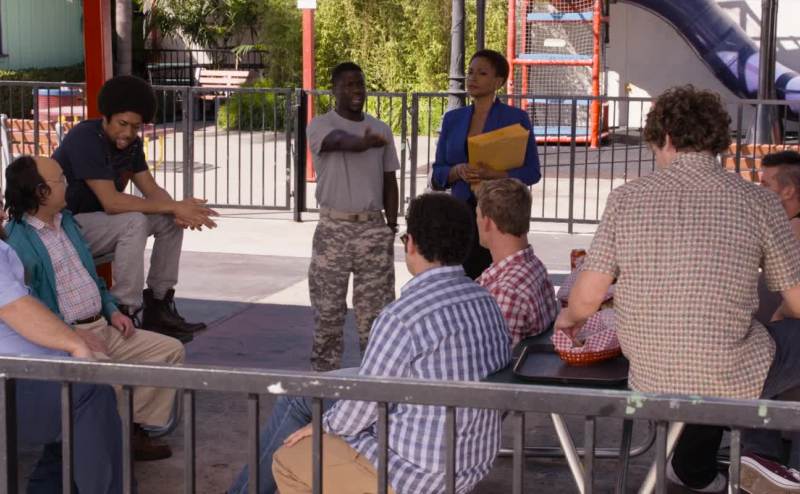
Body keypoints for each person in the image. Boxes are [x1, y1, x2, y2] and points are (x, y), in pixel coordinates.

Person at [555, 85, 800, 493]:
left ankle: (709, 465)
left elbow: (586, 300)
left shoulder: (625, 199)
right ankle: (766, 460)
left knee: (718, 357)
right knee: (748, 350)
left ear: (665, 137)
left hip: (652, 374)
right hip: (731, 370)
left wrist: (568, 319)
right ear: (716, 139)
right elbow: (797, 300)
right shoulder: (759, 202)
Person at [229, 193, 511, 494]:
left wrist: (324, 426)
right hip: (469, 462)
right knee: (310, 398)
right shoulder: (485, 300)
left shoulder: (403, 316)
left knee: (288, 459)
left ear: (411, 244)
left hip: (414, 475)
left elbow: (363, 404)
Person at [4, 155, 185, 461]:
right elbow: (29, 306)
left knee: (169, 351)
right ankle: (107, 439)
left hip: (101, 324)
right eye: (61, 180)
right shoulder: (16, 241)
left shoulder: (68, 222)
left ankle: (128, 430)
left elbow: (91, 278)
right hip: (68, 336)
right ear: (41, 192)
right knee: (107, 385)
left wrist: (112, 310)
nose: (67, 184)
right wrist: (70, 334)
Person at [52, 75, 217, 343]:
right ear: (106, 117)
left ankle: (159, 306)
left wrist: (178, 211)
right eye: (122, 124)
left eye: (136, 127)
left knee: (167, 220)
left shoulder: (132, 145)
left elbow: (151, 189)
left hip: (97, 226)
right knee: (134, 221)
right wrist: (175, 206)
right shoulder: (85, 137)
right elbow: (112, 202)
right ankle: (124, 310)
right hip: (63, 230)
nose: (128, 133)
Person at [0, 199, 124, 493]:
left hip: (27, 368)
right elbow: (15, 307)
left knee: (73, 423)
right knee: (89, 394)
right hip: (12, 378)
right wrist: (75, 344)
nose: (2, 212)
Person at [305, 62, 399, 371]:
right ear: (333, 90)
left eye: (360, 84)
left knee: (375, 317)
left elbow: (389, 180)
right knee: (328, 314)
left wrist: (390, 226)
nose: (356, 90)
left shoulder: (381, 129)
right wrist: (362, 143)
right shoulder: (320, 125)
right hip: (333, 229)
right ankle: (324, 384)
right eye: (348, 85)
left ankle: (374, 383)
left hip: (372, 228)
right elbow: (337, 142)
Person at [430, 49, 541, 280]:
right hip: (460, 215)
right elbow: (438, 173)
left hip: (500, 215)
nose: (472, 78)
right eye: (470, 72)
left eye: (482, 73)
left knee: (496, 281)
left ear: (498, 82)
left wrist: (495, 174)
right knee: (460, 280)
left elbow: (532, 172)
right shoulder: (452, 119)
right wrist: (457, 171)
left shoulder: (516, 118)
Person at [475, 178, 558, 346]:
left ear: (487, 222)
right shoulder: (534, 266)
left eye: (477, 215)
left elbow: (496, 354)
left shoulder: (504, 293)